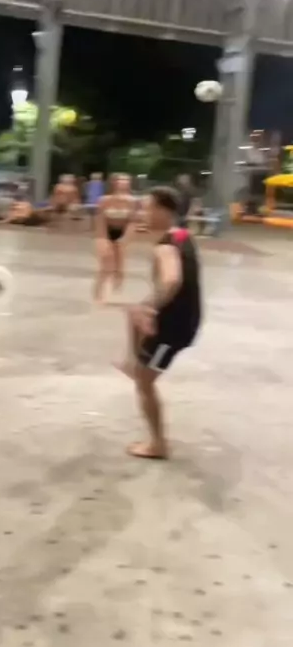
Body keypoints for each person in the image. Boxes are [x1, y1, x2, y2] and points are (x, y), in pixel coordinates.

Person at [116, 187, 202, 460]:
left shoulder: (165, 246)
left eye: (147, 208)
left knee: (144, 384)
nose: (143, 213)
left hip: (173, 327)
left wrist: (150, 308)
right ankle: (134, 362)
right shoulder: (182, 235)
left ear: (164, 211)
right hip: (182, 318)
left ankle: (158, 445)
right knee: (133, 314)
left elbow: (172, 280)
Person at [94, 173, 136, 303]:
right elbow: (100, 220)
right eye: (120, 181)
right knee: (106, 264)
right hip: (107, 231)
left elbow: (132, 221)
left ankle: (117, 286)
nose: (123, 183)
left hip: (122, 232)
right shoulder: (104, 200)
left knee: (119, 264)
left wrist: (126, 238)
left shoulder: (132, 201)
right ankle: (99, 293)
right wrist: (102, 238)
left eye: (125, 181)